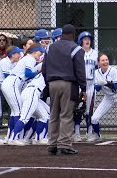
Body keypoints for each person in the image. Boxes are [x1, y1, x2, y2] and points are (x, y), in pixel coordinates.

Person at [43, 24, 86, 155]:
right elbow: (80, 70)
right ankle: (64, 145)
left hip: (52, 83)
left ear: (61, 34)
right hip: (68, 84)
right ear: (73, 35)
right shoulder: (76, 49)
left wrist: (48, 82)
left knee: (54, 114)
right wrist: (83, 88)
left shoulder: (50, 47)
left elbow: (44, 68)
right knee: (66, 114)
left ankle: (52, 144)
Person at [1, 44, 45, 141]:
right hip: (13, 82)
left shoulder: (28, 58)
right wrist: (37, 71)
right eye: (40, 51)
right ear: (34, 51)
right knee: (19, 112)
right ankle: (15, 138)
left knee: (14, 112)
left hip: (10, 82)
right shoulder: (30, 58)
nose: (41, 53)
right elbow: (28, 73)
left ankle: (9, 137)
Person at [9, 73, 50, 146]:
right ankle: (13, 138)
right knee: (24, 118)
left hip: (32, 92)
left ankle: (37, 139)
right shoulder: (49, 69)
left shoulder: (44, 71)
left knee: (44, 116)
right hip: (32, 92)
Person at [72, 31, 98, 142]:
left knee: (89, 109)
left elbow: (97, 68)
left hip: (91, 84)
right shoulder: (77, 52)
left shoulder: (95, 53)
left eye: (89, 38)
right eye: (84, 38)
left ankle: (89, 133)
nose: (87, 40)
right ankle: (76, 133)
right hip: (79, 84)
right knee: (78, 109)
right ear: (80, 40)